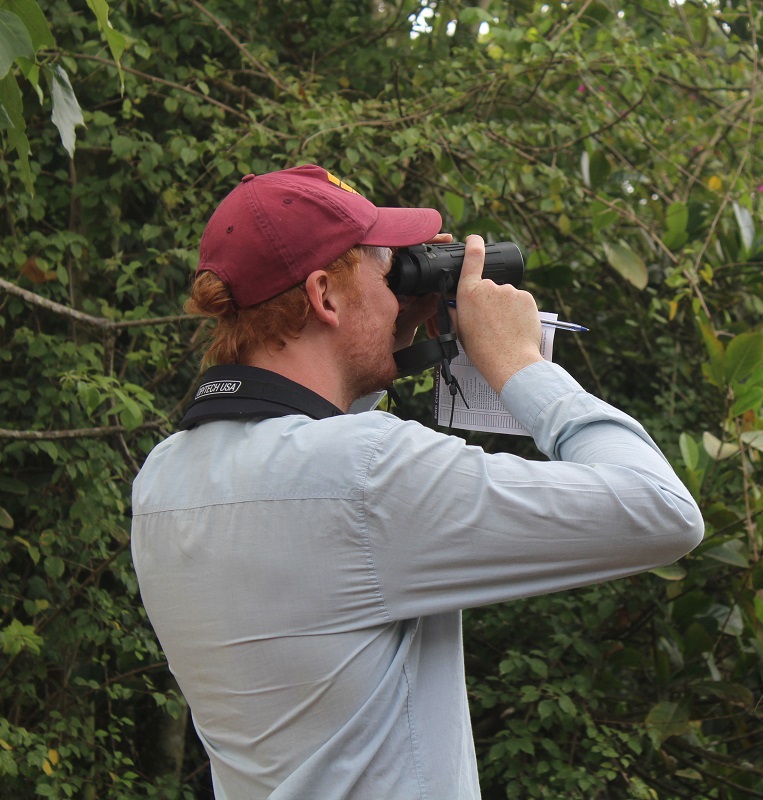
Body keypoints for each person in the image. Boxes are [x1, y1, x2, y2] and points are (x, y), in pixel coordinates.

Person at [130, 164, 704, 799]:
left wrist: (391, 330)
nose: (403, 290)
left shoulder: (163, 480)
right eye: (388, 270)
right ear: (324, 296)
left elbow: (318, 449)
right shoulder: (364, 474)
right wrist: (519, 366)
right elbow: (661, 509)